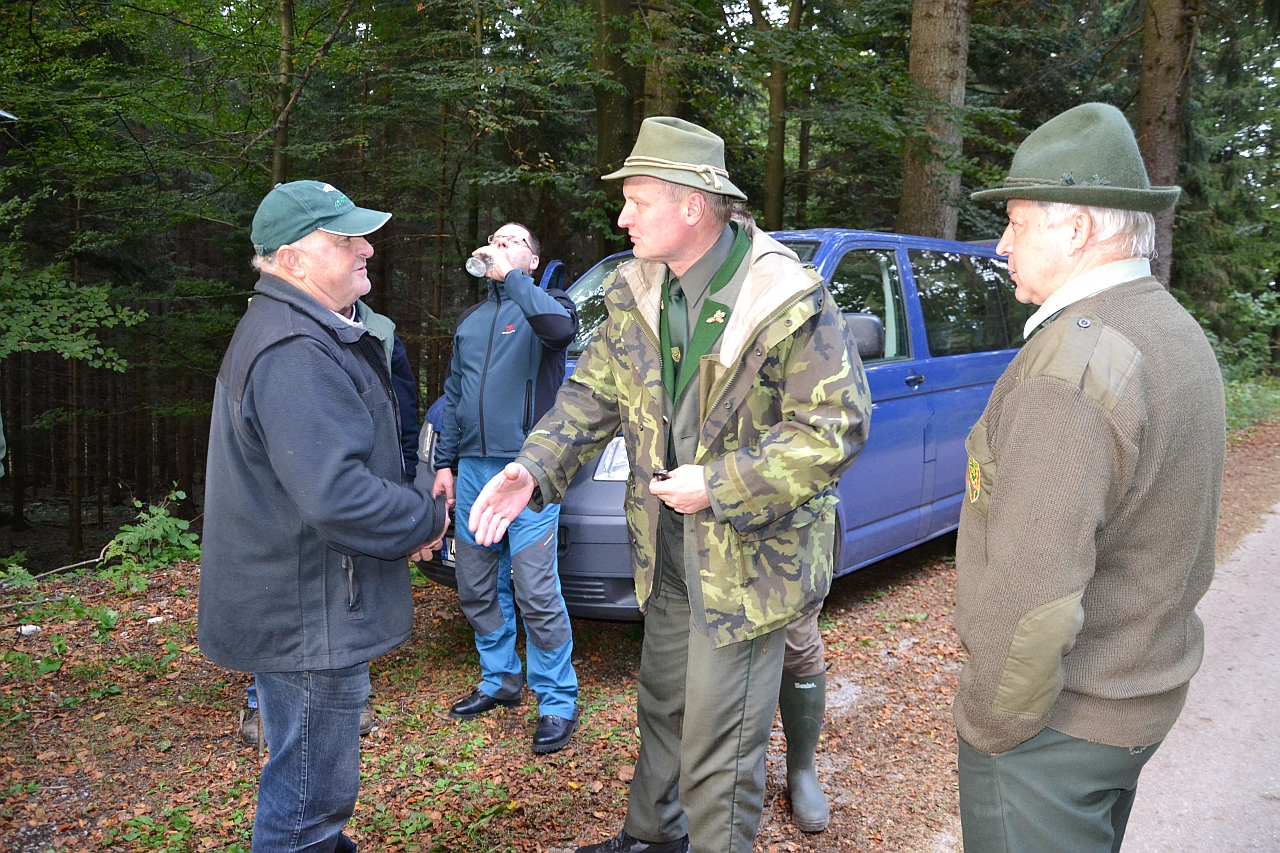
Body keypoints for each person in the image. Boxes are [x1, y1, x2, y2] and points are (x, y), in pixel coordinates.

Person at [468, 117, 871, 853]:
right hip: (667, 545)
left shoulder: (785, 295)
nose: (622, 218)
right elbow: (592, 393)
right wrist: (534, 467)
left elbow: (835, 426)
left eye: (637, 201)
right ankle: (652, 836)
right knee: (662, 701)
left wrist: (720, 484)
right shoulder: (639, 288)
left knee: (721, 747)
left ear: (691, 205)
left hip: (750, 559)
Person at [955, 102, 1225, 853]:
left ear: (1075, 229)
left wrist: (991, 727)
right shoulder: (1168, 326)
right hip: (1132, 701)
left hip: (1053, 733)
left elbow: (1034, 592)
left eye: (1016, 222)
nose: (1002, 243)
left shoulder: (1073, 368)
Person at [199, 179, 449, 853]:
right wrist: (423, 519)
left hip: (308, 599)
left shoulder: (305, 331)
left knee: (310, 789)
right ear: (293, 259)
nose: (366, 248)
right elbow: (337, 495)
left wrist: (407, 510)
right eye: (345, 239)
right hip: (308, 611)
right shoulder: (293, 349)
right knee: (309, 801)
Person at [432, 222, 582, 753]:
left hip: (528, 471)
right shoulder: (471, 320)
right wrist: (445, 463)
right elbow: (455, 394)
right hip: (474, 468)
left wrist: (515, 278)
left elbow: (559, 333)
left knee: (536, 589)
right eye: (494, 239)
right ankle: (499, 679)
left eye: (512, 241)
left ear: (533, 261)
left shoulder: (550, 305)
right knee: (475, 583)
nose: (498, 245)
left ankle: (557, 700)